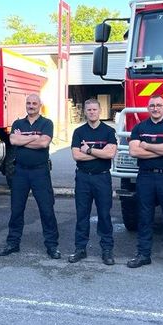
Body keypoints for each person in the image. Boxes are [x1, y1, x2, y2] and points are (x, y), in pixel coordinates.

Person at [0, 94, 60, 259]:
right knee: (16, 209)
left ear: (40, 105)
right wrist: (34, 136)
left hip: (40, 172)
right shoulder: (18, 123)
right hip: (20, 172)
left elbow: (43, 143)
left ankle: (52, 246)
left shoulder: (47, 123)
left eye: (34, 103)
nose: (31, 106)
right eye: (28, 103)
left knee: (46, 210)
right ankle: (13, 243)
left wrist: (23, 138)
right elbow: (13, 141)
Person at [127, 95, 163, 273]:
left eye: (159, 105)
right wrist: (162, 150)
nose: (155, 108)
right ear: (148, 108)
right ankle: (143, 255)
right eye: (152, 105)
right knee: (144, 217)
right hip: (145, 177)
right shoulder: (139, 127)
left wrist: (147, 145)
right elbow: (134, 151)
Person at [68, 98, 117, 265]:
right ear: (85, 112)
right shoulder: (79, 132)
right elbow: (76, 155)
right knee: (82, 215)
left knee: (104, 215)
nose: (92, 112)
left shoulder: (109, 131)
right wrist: (99, 152)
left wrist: (88, 150)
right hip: (83, 178)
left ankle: (107, 250)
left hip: (102, 178)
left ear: (100, 111)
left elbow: (110, 154)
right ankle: (80, 249)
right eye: (88, 110)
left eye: (94, 109)